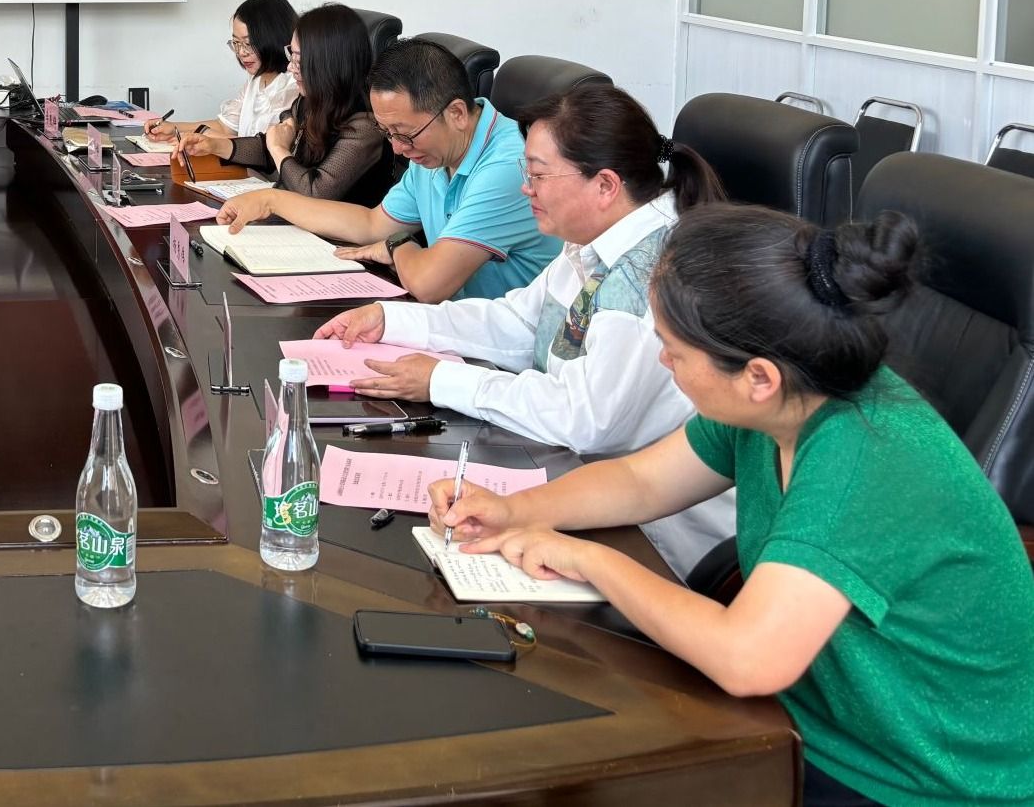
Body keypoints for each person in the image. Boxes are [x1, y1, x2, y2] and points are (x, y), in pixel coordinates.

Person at [430, 205, 1034, 807]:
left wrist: (590, 560)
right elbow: (643, 480)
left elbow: (749, 660)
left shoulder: (861, 460)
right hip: (806, 715)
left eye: (673, 350)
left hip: (915, 778)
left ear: (758, 377)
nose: (663, 361)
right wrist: (517, 509)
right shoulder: (786, 392)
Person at [316, 83, 734, 574]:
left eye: (538, 175)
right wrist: (391, 318)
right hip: (581, 488)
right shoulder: (593, 241)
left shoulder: (648, 272)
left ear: (605, 185)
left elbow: (584, 419)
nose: (525, 189)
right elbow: (517, 323)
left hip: (657, 543)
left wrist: (442, 380)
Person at [218, 37, 559, 302]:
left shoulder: (509, 166)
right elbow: (372, 224)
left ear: (456, 113)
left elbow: (429, 283)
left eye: (405, 134)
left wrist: (397, 246)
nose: (397, 149)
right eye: (388, 133)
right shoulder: (436, 149)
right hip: (455, 323)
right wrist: (271, 201)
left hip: (503, 355)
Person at [177, 3, 394, 205]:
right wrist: (213, 146)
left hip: (332, 232)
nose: (290, 68)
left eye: (299, 59)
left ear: (327, 63)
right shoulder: (310, 102)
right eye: (291, 55)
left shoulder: (365, 126)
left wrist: (279, 149)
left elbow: (315, 193)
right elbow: (268, 148)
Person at [143, 0, 299, 142]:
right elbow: (225, 127)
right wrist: (174, 128)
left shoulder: (294, 86)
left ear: (274, 39)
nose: (241, 53)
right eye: (236, 43)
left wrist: (205, 137)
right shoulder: (255, 81)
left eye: (248, 43)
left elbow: (260, 148)